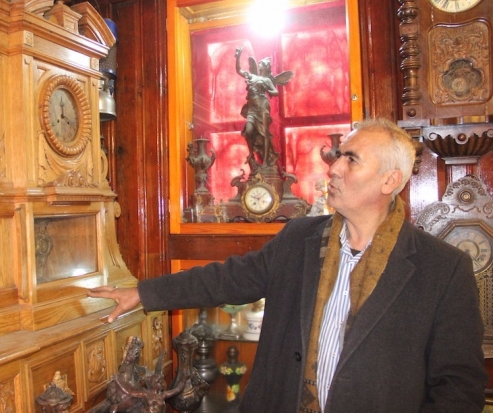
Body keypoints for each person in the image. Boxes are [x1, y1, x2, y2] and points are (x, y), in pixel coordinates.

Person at [89, 119, 487, 413]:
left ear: (389, 181)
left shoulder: (442, 269)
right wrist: (142, 293)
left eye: (351, 160)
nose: (334, 168)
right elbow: (227, 279)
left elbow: (458, 388)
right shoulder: (299, 239)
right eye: (338, 156)